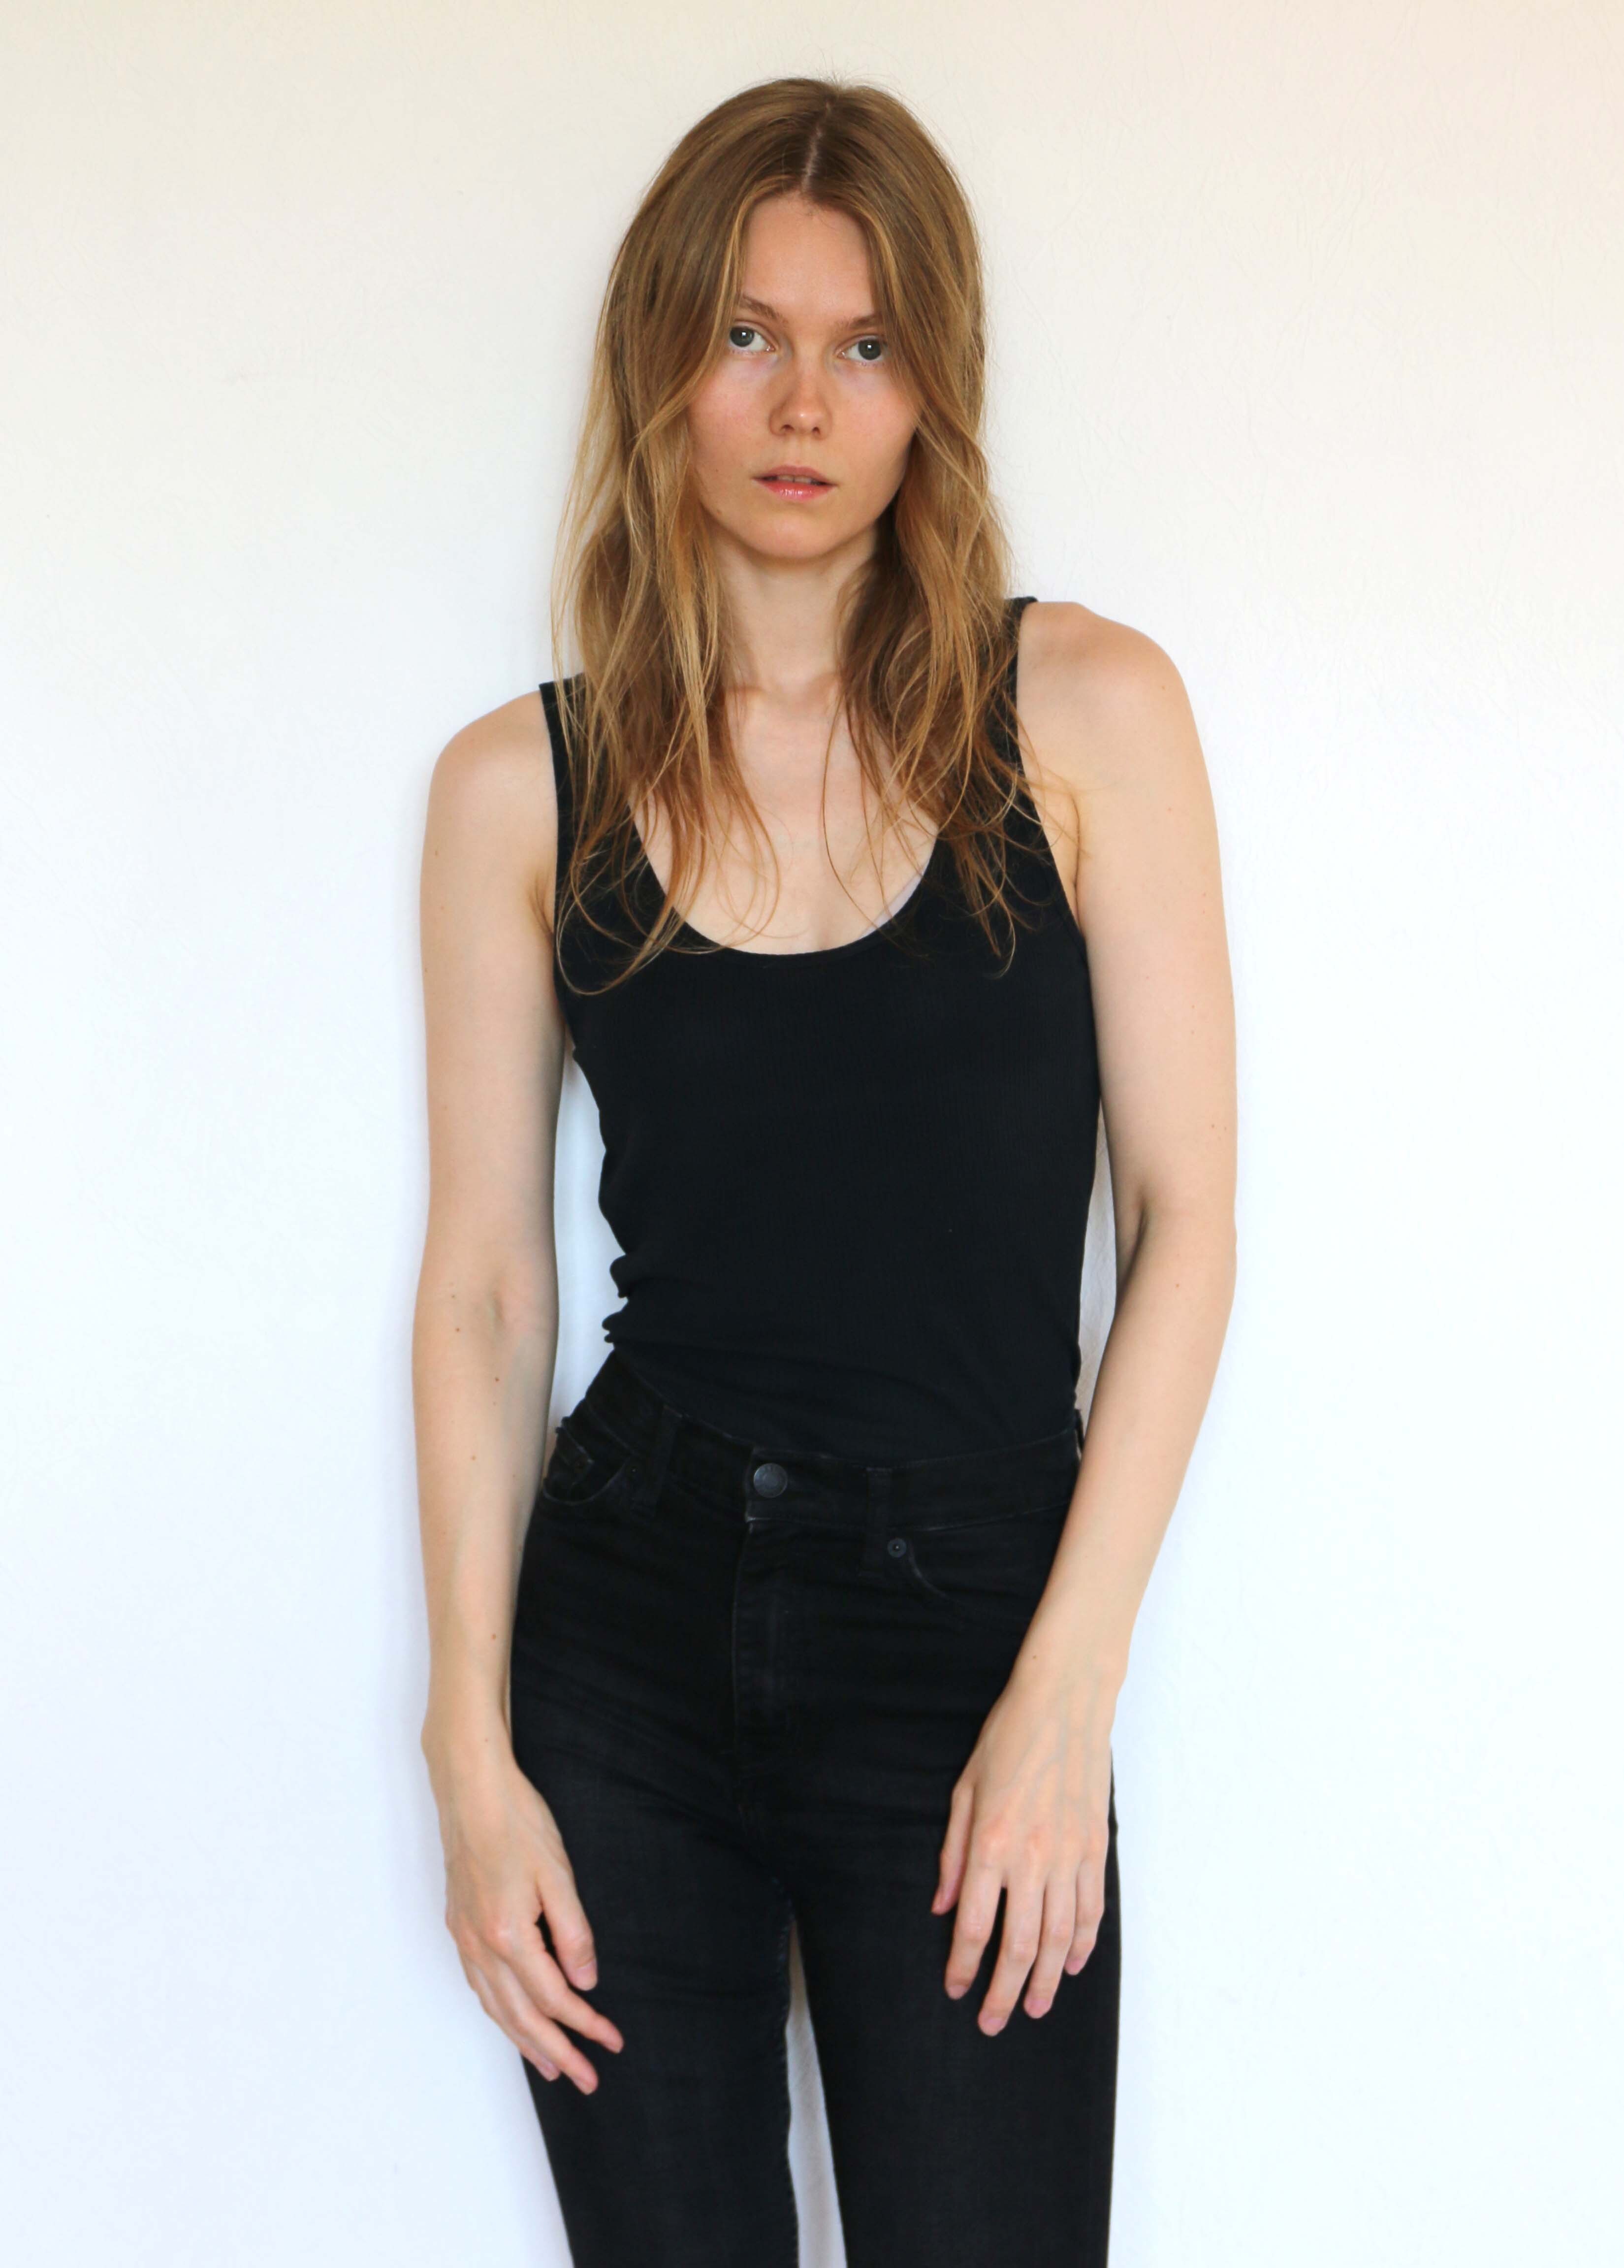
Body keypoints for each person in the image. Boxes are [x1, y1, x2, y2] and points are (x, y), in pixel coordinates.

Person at [412, 75, 1236, 2268]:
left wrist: (1065, 1698)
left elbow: (1184, 1226)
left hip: (972, 1626)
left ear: (931, 384)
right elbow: (485, 1287)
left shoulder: (1086, 715)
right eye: (747, 335)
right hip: (626, 1633)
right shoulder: (517, 791)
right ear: (662, 363)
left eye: (865, 345)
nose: (803, 405)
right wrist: (469, 1747)